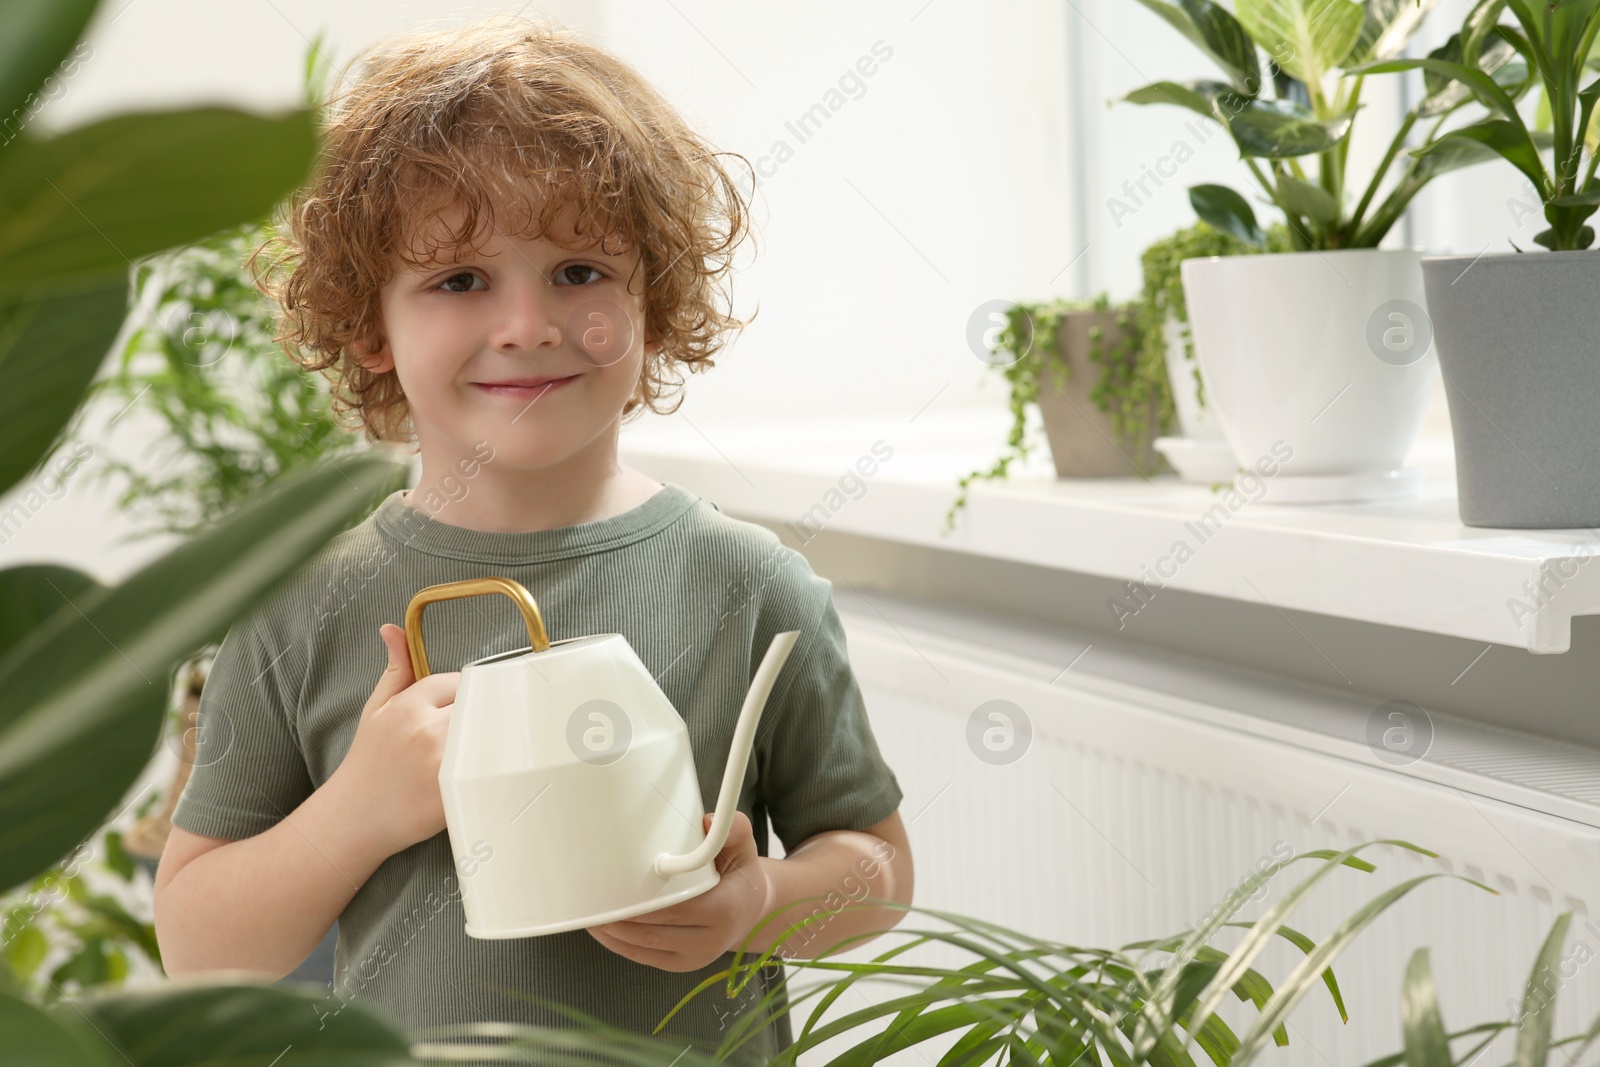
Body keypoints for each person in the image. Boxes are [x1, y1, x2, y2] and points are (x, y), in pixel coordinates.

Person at [150, 13, 913, 1062]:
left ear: (653, 296)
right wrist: (361, 809)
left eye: (579, 272)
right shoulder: (300, 604)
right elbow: (201, 948)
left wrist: (760, 900)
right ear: (371, 326)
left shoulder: (749, 584)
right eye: (460, 280)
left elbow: (875, 867)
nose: (527, 325)